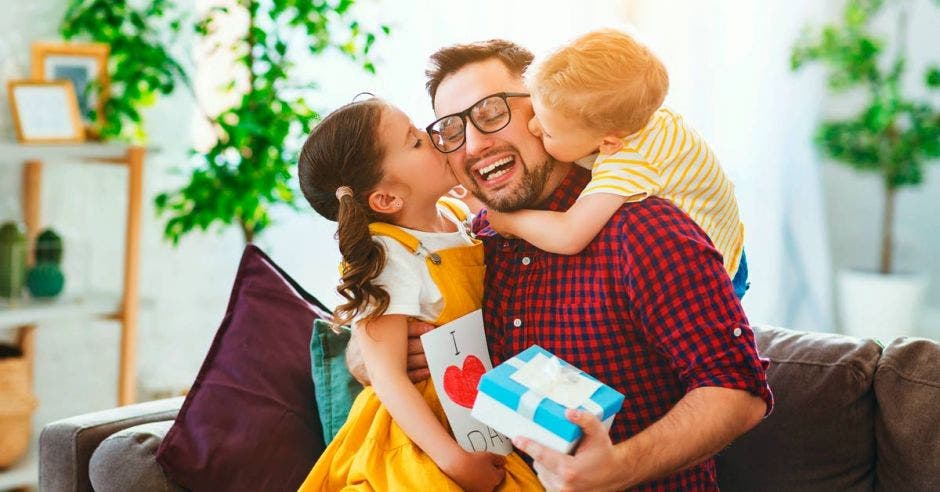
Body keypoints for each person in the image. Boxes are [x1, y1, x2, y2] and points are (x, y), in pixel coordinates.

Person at [349, 39, 773, 491]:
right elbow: (378, 319)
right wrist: (370, 356)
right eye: (451, 131)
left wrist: (619, 467)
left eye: (492, 113)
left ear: (543, 110)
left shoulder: (642, 227)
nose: (474, 144)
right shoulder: (475, 246)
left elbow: (737, 390)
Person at [295, 97, 541, 491]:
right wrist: (455, 461)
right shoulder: (389, 254)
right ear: (388, 199)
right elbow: (388, 376)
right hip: (422, 439)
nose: (432, 135)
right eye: (414, 141)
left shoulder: (458, 217)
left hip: (476, 414)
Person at [475, 29, 749, 298]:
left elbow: (569, 234)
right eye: (536, 112)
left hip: (716, 271)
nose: (533, 127)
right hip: (729, 232)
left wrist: (509, 221)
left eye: (548, 132)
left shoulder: (629, 162)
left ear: (608, 144)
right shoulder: (636, 112)